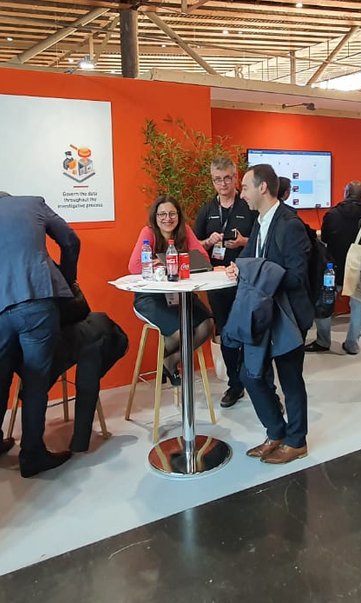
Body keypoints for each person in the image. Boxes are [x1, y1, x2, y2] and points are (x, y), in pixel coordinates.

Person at [0, 191, 79, 477]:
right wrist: (66, 279)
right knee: (35, 380)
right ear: (7, 199)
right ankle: (32, 455)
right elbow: (70, 240)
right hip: (36, 299)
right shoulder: (33, 203)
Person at [225, 164, 313, 465]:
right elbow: (251, 258)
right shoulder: (260, 222)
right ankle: (276, 431)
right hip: (263, 312)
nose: (241, 193)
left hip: (288, 315)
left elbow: (296, 276)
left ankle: (297, 441)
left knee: (290, 380)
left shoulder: (290, 224)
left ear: (263, 187)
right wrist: (238, 267)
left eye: (245, 187)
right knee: (250, 375)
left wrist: (254, 271)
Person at [129, 195, 214, 382]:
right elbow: (134, 266)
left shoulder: (185, 231)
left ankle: (170, 361)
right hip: (151, 297)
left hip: (181, 294)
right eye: (162, 214)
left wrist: (164, 261)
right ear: (155, 216)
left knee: (206, 325)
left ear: (178, 216)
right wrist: (177, 261)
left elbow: (203, 259)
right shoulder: (148, 233)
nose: (167, 219)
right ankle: (165, 364)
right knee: (179, 333)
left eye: (172, 214)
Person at [193, 157, 257, 408]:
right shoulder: (207, 209)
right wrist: (208, 242)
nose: (222, 184)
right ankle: (235, 384)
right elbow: (194, 246)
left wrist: (243, 242)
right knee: (226, 333)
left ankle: (256, 381)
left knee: (250, 332)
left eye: (227, 178)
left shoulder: (249, 205)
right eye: (217, 179)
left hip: (246, 280)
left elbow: (262, 241)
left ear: (235, 177)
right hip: (217, 283)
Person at [19, 309, 128, 453]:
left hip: (43, 338)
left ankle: (76, 444)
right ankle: (79, 444)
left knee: (37, 387)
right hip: (85, 334)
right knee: (87, 385)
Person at [309, 181, 361, 355]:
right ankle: (352, 344)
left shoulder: (332, 214)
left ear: (346, 193)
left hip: (332, 266)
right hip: (357, 266)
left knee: (325, 302)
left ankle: (323, 341)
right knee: (358, 305)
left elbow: (325, 239)